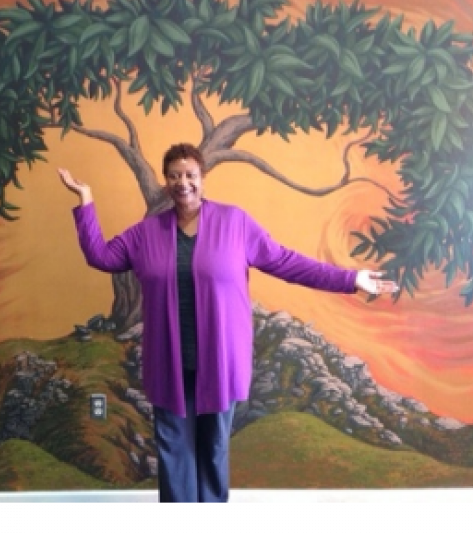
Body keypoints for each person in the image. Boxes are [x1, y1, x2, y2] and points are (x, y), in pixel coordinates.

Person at [57, 142, 399, 504]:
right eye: (174, 175)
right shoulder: (146, 233)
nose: (182, 183)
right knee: (174, 453)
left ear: (203, 178)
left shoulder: (235, 223)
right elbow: (100, 255)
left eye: (190, 175)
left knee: (214, 449)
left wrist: (350, 279)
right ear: (165, 181)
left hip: (219, 360)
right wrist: (86, 199)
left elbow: (288, 262)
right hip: (169, 362)